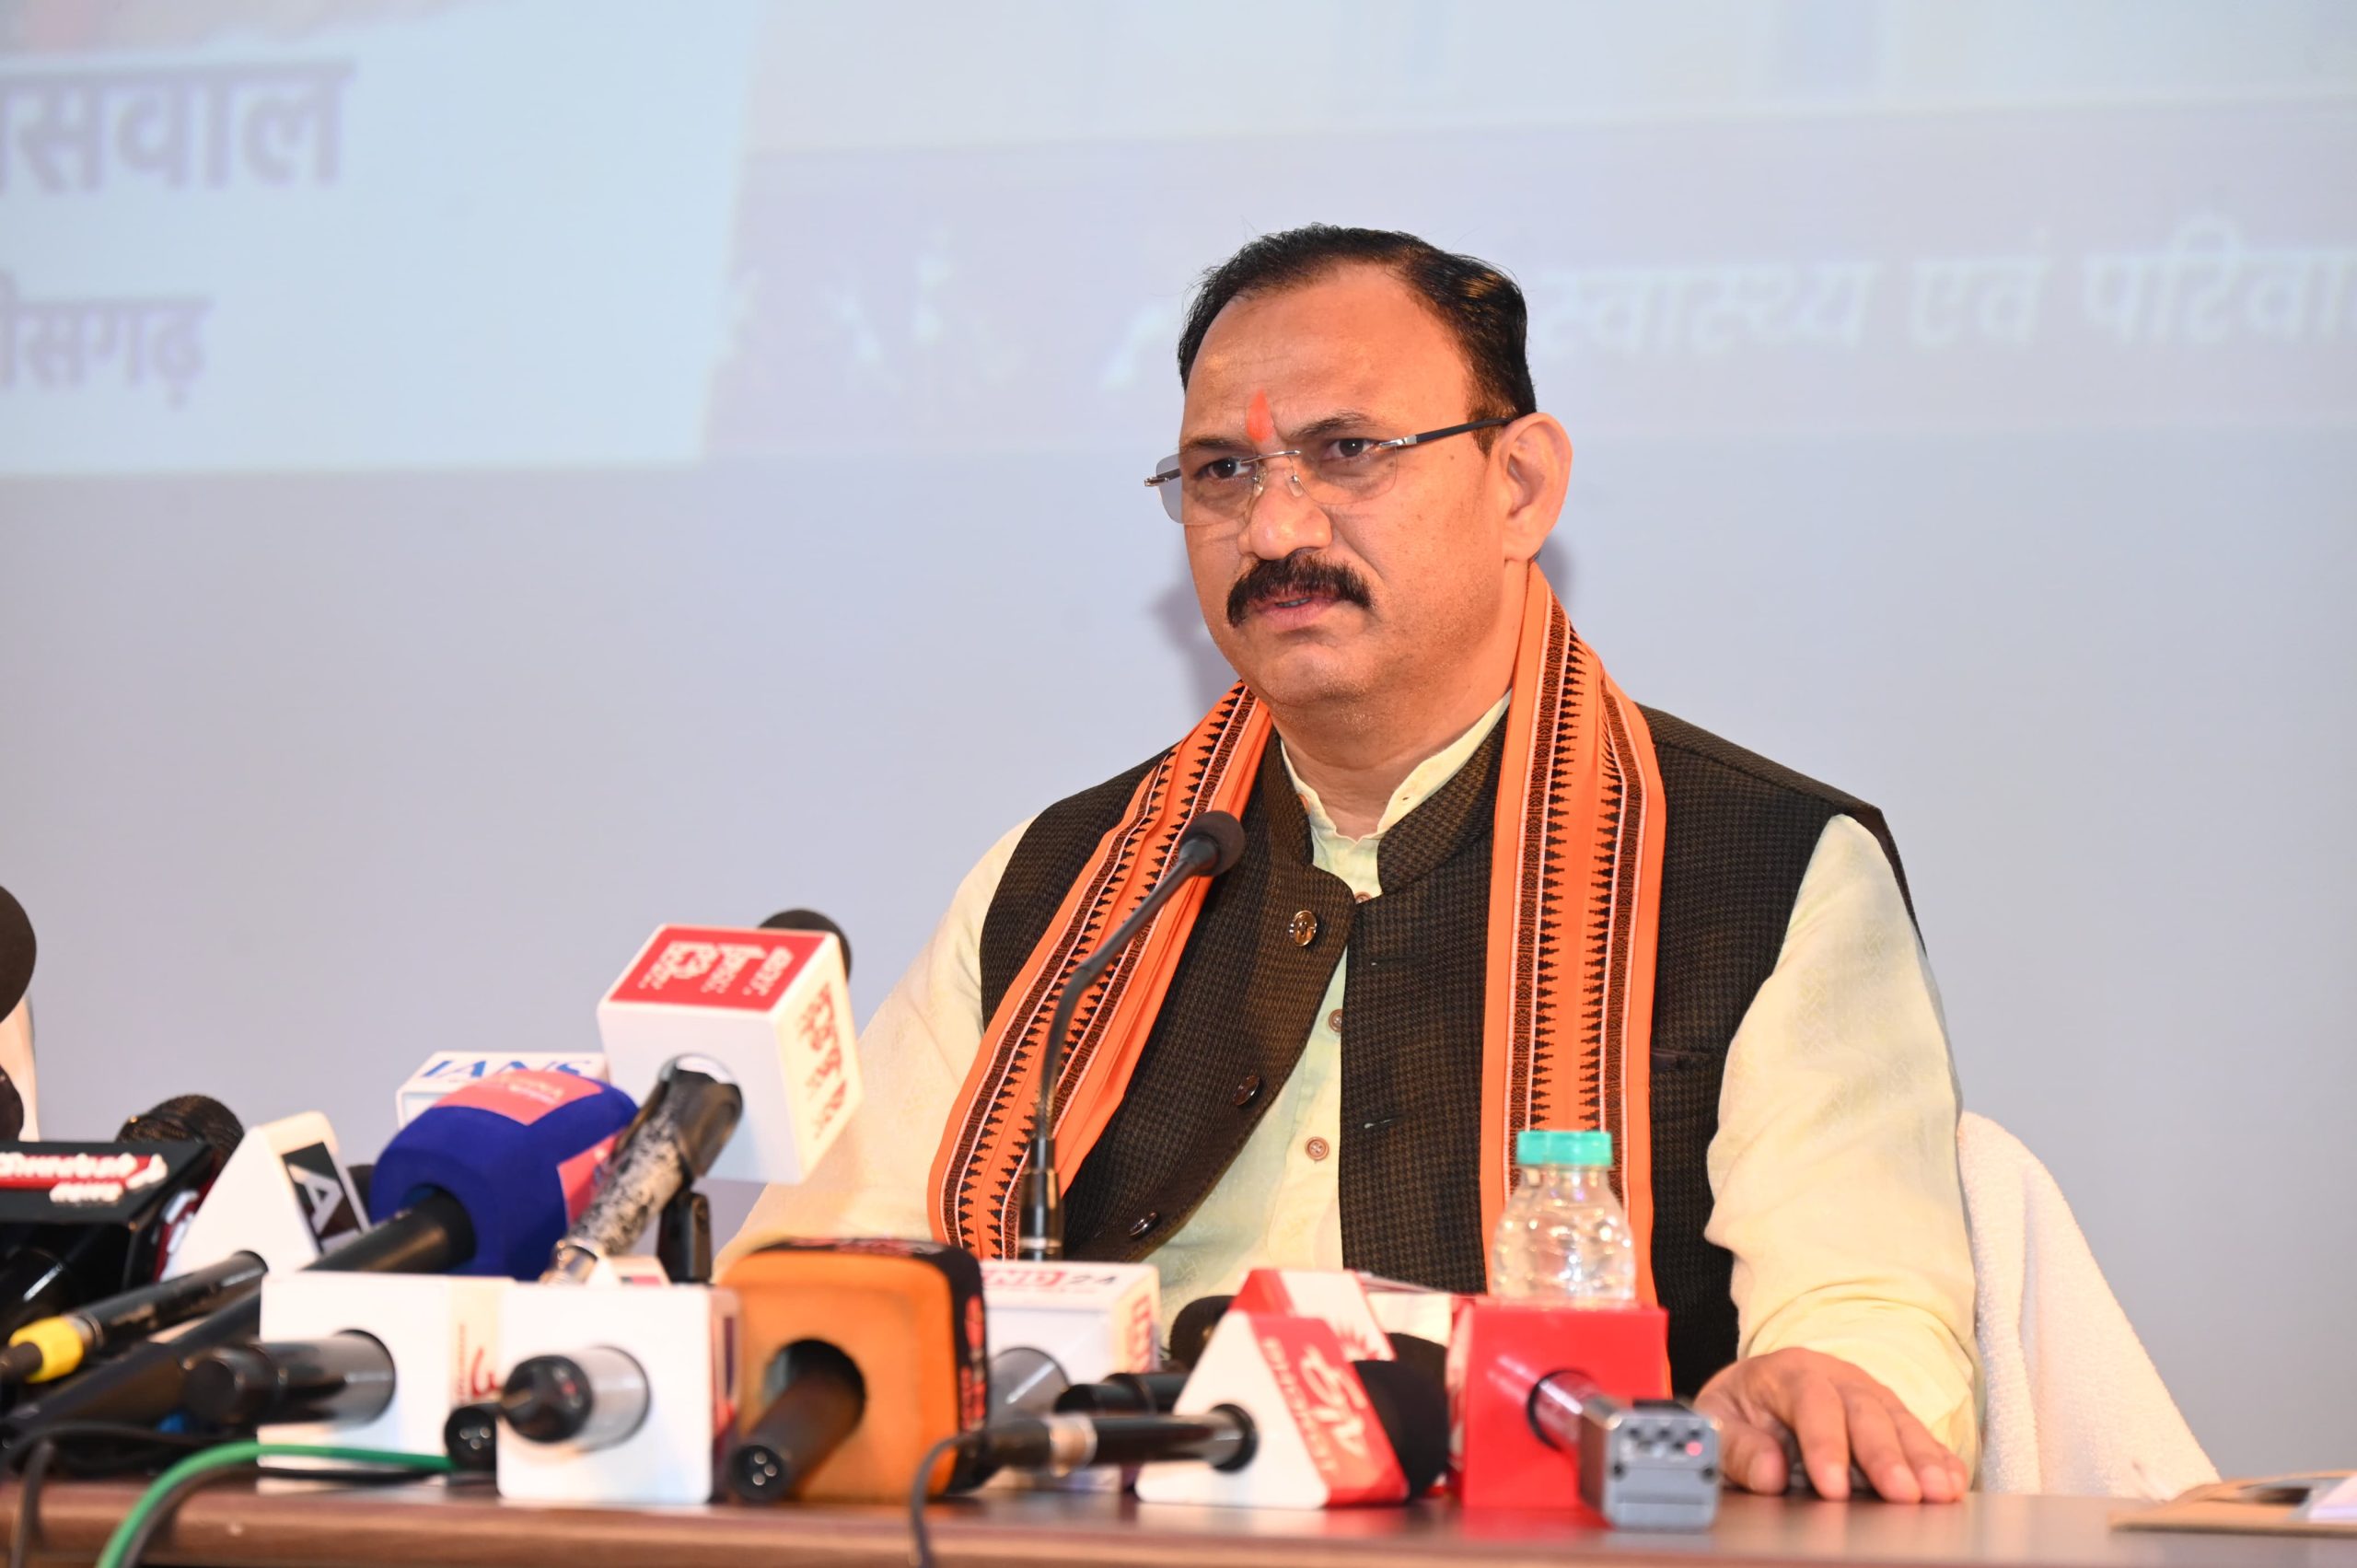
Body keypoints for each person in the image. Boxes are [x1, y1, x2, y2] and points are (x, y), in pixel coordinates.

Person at [731, 226, 1978, 1504]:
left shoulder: (1765, 871)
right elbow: (817, 1283)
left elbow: (1864, 1318)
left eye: (1347, 452)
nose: (1274, 527)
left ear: (1520, 487)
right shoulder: (1068, 885)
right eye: (1222, 471)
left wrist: (1820, 1387)